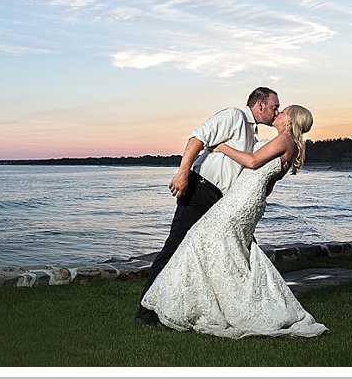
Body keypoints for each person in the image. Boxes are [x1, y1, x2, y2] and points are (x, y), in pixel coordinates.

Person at [140, 105, 329, 338]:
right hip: (246, 197)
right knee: (223, 248)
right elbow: (267, 185)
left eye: (283, 111)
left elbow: (251, 162)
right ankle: (197, 299)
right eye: (276, 108)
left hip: (241, 199)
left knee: (200, 238)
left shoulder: (284, 140)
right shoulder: (287, 145)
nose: (278, 113)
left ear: (290, 121)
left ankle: (183, 303)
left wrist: (221, 147)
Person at [135, 87, 281, 326]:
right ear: (260, 104)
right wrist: (182, 173)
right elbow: (197, 138)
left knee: (216, 256)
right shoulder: (234, 116)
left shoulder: (252, 135)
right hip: (200, 189)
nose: (276, 112)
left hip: (220, 201)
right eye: (274, 107)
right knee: (174, 248)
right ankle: (146, 312)